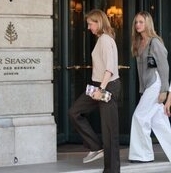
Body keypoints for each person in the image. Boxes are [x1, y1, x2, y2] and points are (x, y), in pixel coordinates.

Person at [69, 9, 121, 173]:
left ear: (98, 22)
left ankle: (111, 170)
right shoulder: (101, 39)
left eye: (90, 24)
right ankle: (95, 146)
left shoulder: (105, 40)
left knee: (109, 131)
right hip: (98, 85)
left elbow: (110, 68)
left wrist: (101, 89)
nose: (89, 27)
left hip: (107, 86)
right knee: (74, 112)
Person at [129, 11, 171, 163]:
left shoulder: (155, 42)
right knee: (158, 122)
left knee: (139, 116)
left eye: (141, 22)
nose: (138, 25)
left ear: (148, 23)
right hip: (148, 86)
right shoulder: (139, 42)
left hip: (156, 84)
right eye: (136, 22)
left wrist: (164, 91)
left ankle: (143, 155)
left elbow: (164, 67)